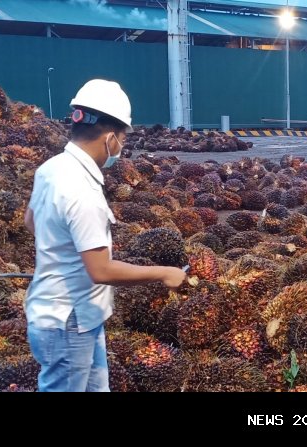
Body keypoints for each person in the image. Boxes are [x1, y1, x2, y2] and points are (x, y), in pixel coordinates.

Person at [23, 79, 187, 392]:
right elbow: (101, 271)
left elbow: (31, 221)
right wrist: (164, 273)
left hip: (74, 315)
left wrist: (61, 256)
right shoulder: (82, 191)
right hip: (68, 322)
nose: (121, 149)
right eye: (122, 140)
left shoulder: (51, 169)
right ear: (110, 138)